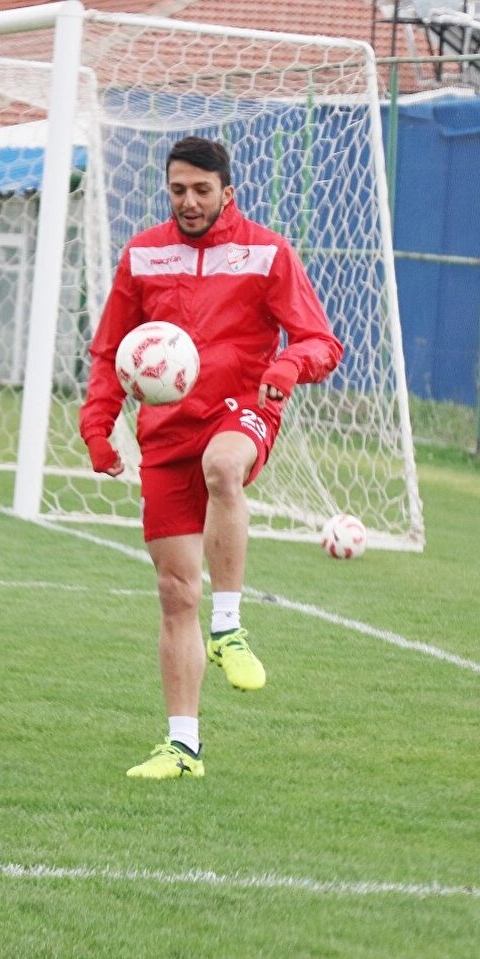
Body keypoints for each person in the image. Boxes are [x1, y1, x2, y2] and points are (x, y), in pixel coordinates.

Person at [80, 136, 343, 779]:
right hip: (165, 433)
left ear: (228, 190)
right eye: (178, 190)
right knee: (174, 594)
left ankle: (229, 627)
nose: (190, 201)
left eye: (202, 189)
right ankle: (183, 747)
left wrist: (286, 365)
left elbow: (321, 341)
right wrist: (98, 426)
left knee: (224, 469)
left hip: (241, 407)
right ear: (167, 190)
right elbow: (112, 349)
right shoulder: (142, 255)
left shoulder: (268, 251)